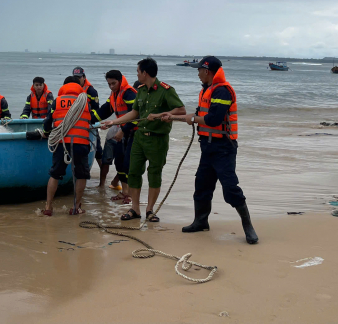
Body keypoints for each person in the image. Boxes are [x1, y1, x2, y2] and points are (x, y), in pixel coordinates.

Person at [162, 56, 258, 244]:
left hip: (224, 148)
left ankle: (248, 226)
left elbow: (213, 119)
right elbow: (199, 116)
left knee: (230, 189)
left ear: (207, 71)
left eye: (199, 70)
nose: (197, 74)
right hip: (207, 146)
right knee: (202, 185)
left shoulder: (222, 91)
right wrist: (172, 117)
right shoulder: (207, 90)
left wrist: (192, 119)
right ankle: (201, 221)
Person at [100, 58, 186, 222]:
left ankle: (150, 210)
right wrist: (114, 122)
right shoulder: (140, 90)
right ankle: (135, 209)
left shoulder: (166, 90)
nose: (137, 74)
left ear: (145, 73)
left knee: (154, 174)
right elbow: (134, 113)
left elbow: (181, 110)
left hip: (157, 140)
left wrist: (160, 115)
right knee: (133, 173)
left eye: (138, 71)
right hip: (139, 139)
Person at [41, 76, 92, 216]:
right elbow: (91, 119)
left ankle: (48, 207)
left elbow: (47, 121)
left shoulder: (57, 101)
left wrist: (46, 133)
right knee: (81, 175)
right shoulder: (85, 101)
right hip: (81, 143)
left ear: (64, 86)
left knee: (55, 174)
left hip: (61, 143)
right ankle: (76, 207)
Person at [97, 70, 138, 201]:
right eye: (109, 84)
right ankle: (125, 192)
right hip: (123, 130)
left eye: (113, 83)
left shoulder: (128, 92)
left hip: (134, 132)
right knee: (119, 162)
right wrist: (90, 119)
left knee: (128, 164)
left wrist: (123, 130)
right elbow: (105, 110)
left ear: (120, 81)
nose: (111, 86)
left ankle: (131, 194)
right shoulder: (115, 93)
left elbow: (137, 116)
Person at [72, 66, 104, 181]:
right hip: (75, 126)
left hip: (89, 124)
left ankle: (103, 178)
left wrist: (89, 119)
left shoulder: (91, 91)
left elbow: (96, 109)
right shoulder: (72, 89)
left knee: (98, 151)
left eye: (79, 77)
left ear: (84, 77)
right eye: (75, 77)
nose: (77, 79)